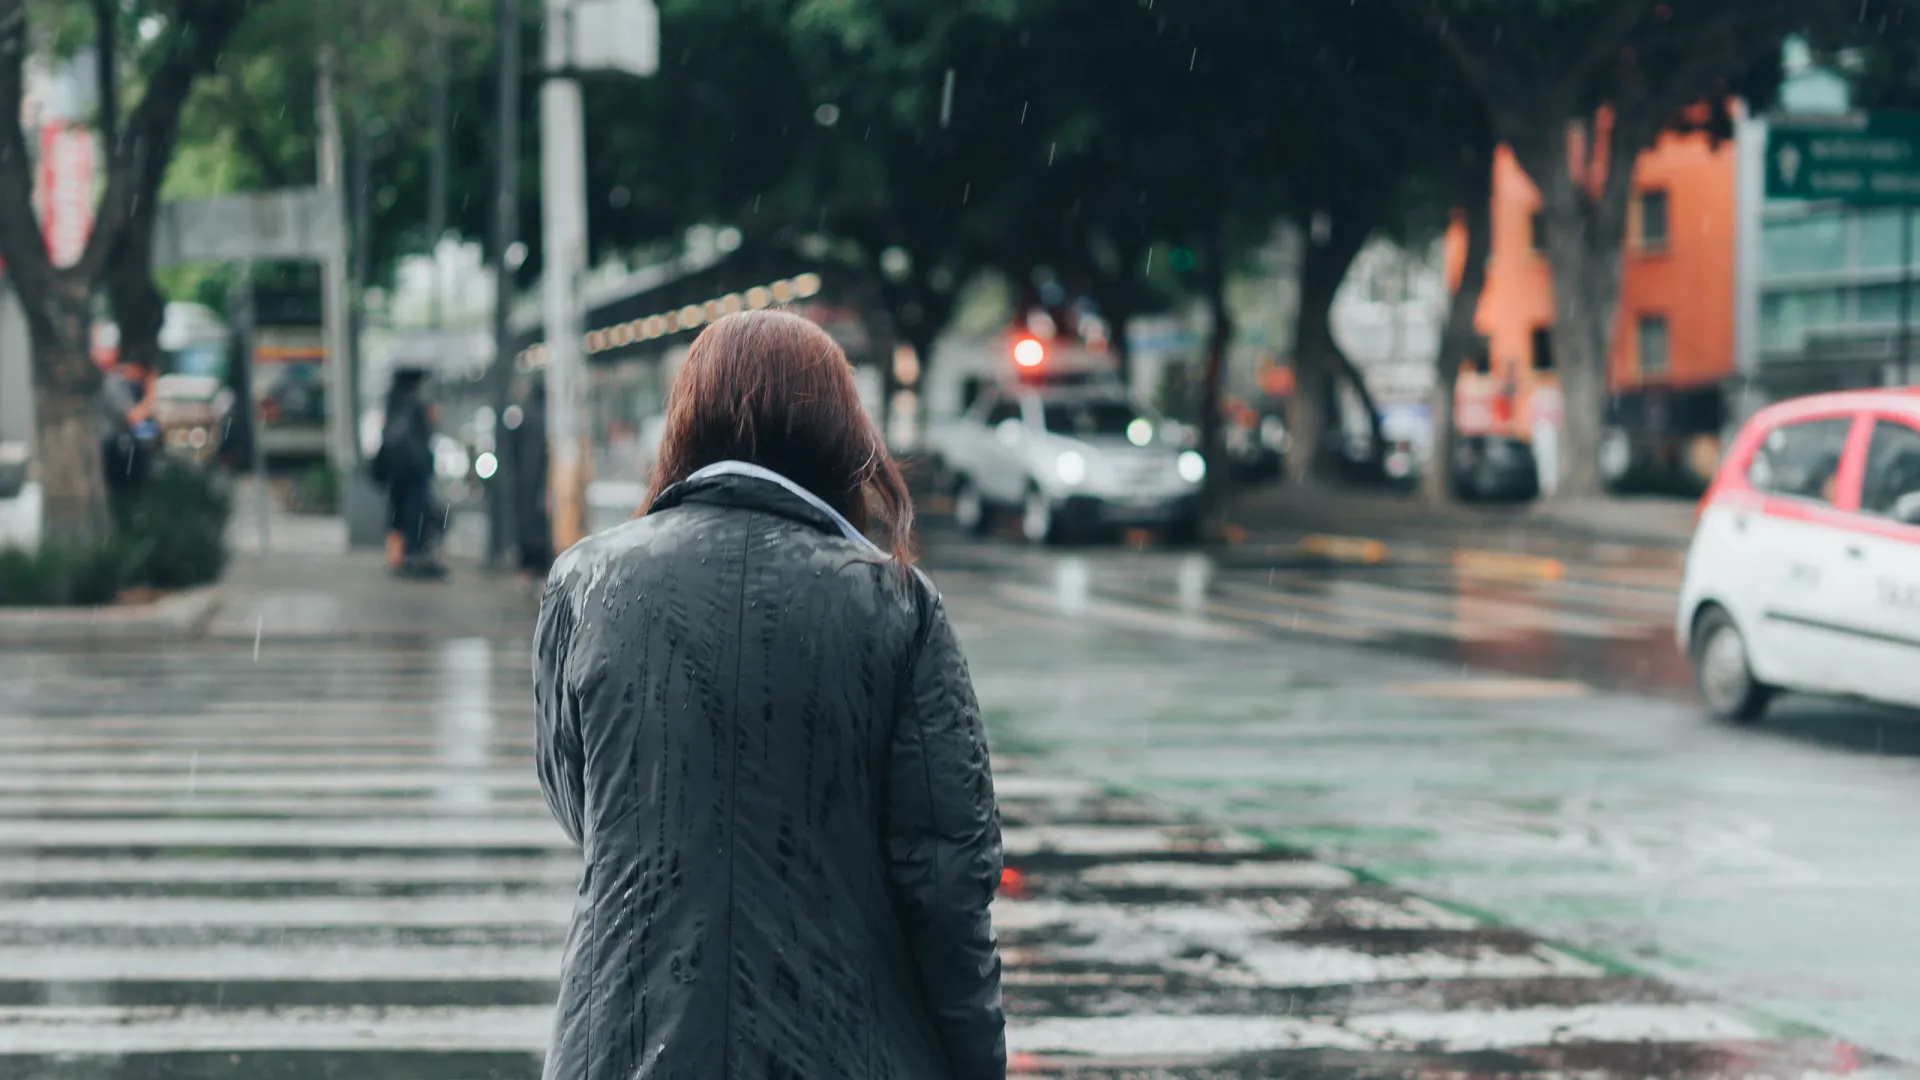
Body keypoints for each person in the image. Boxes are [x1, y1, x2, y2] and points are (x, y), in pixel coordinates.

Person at [533, 310, 1005, 1080]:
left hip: (621, 1044)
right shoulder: (896, 606)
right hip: (846, 1046)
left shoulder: (586, 582)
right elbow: (950, 883)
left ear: (686, 425)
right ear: (841, 436)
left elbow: (583, 804)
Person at [372, 368, 445, 579]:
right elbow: (421, 439)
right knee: (415, 512)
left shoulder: (393, 402)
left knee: (398, 514)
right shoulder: (416, 404)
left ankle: (395, 558)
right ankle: (412, 556)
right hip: (414, 470)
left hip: (396, 471)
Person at [98, 355, 158, 514]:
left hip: (130, 449)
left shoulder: (131, 387)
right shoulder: (115, 383)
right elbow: (133, 417)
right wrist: (151, 392)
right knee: (123, 496)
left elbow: (145, 428)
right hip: (118, 450)